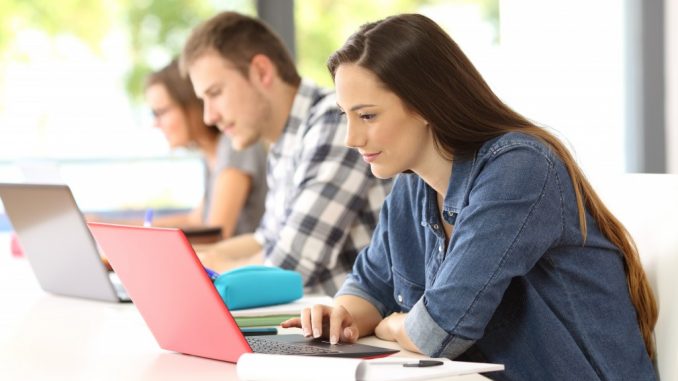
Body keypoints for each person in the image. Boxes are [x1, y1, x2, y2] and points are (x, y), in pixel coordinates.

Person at [281, 14, 658, 380]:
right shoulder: (412, 185)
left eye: (366, 116)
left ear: (425, 104)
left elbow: (438, 333)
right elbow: (368, 287)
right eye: (345, 114)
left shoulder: (518, 169)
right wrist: (342, 316)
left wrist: (394, 326)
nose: (351, 138)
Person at [179, 12, 392, 295]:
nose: (209, 116)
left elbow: (289, 268)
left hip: (353, 329)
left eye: (215, 93)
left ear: (262, 72)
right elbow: (265, 240)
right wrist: (190, 258)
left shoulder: (333, 121)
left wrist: (209, 267)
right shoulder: (284, 143)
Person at [142, 59, 267, 239]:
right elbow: (194, 220)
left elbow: (214, 235)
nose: (156, 124)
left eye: (161, 112)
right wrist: (108, 225)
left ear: (192, 106)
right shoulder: (211, 154)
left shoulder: (235, 146)